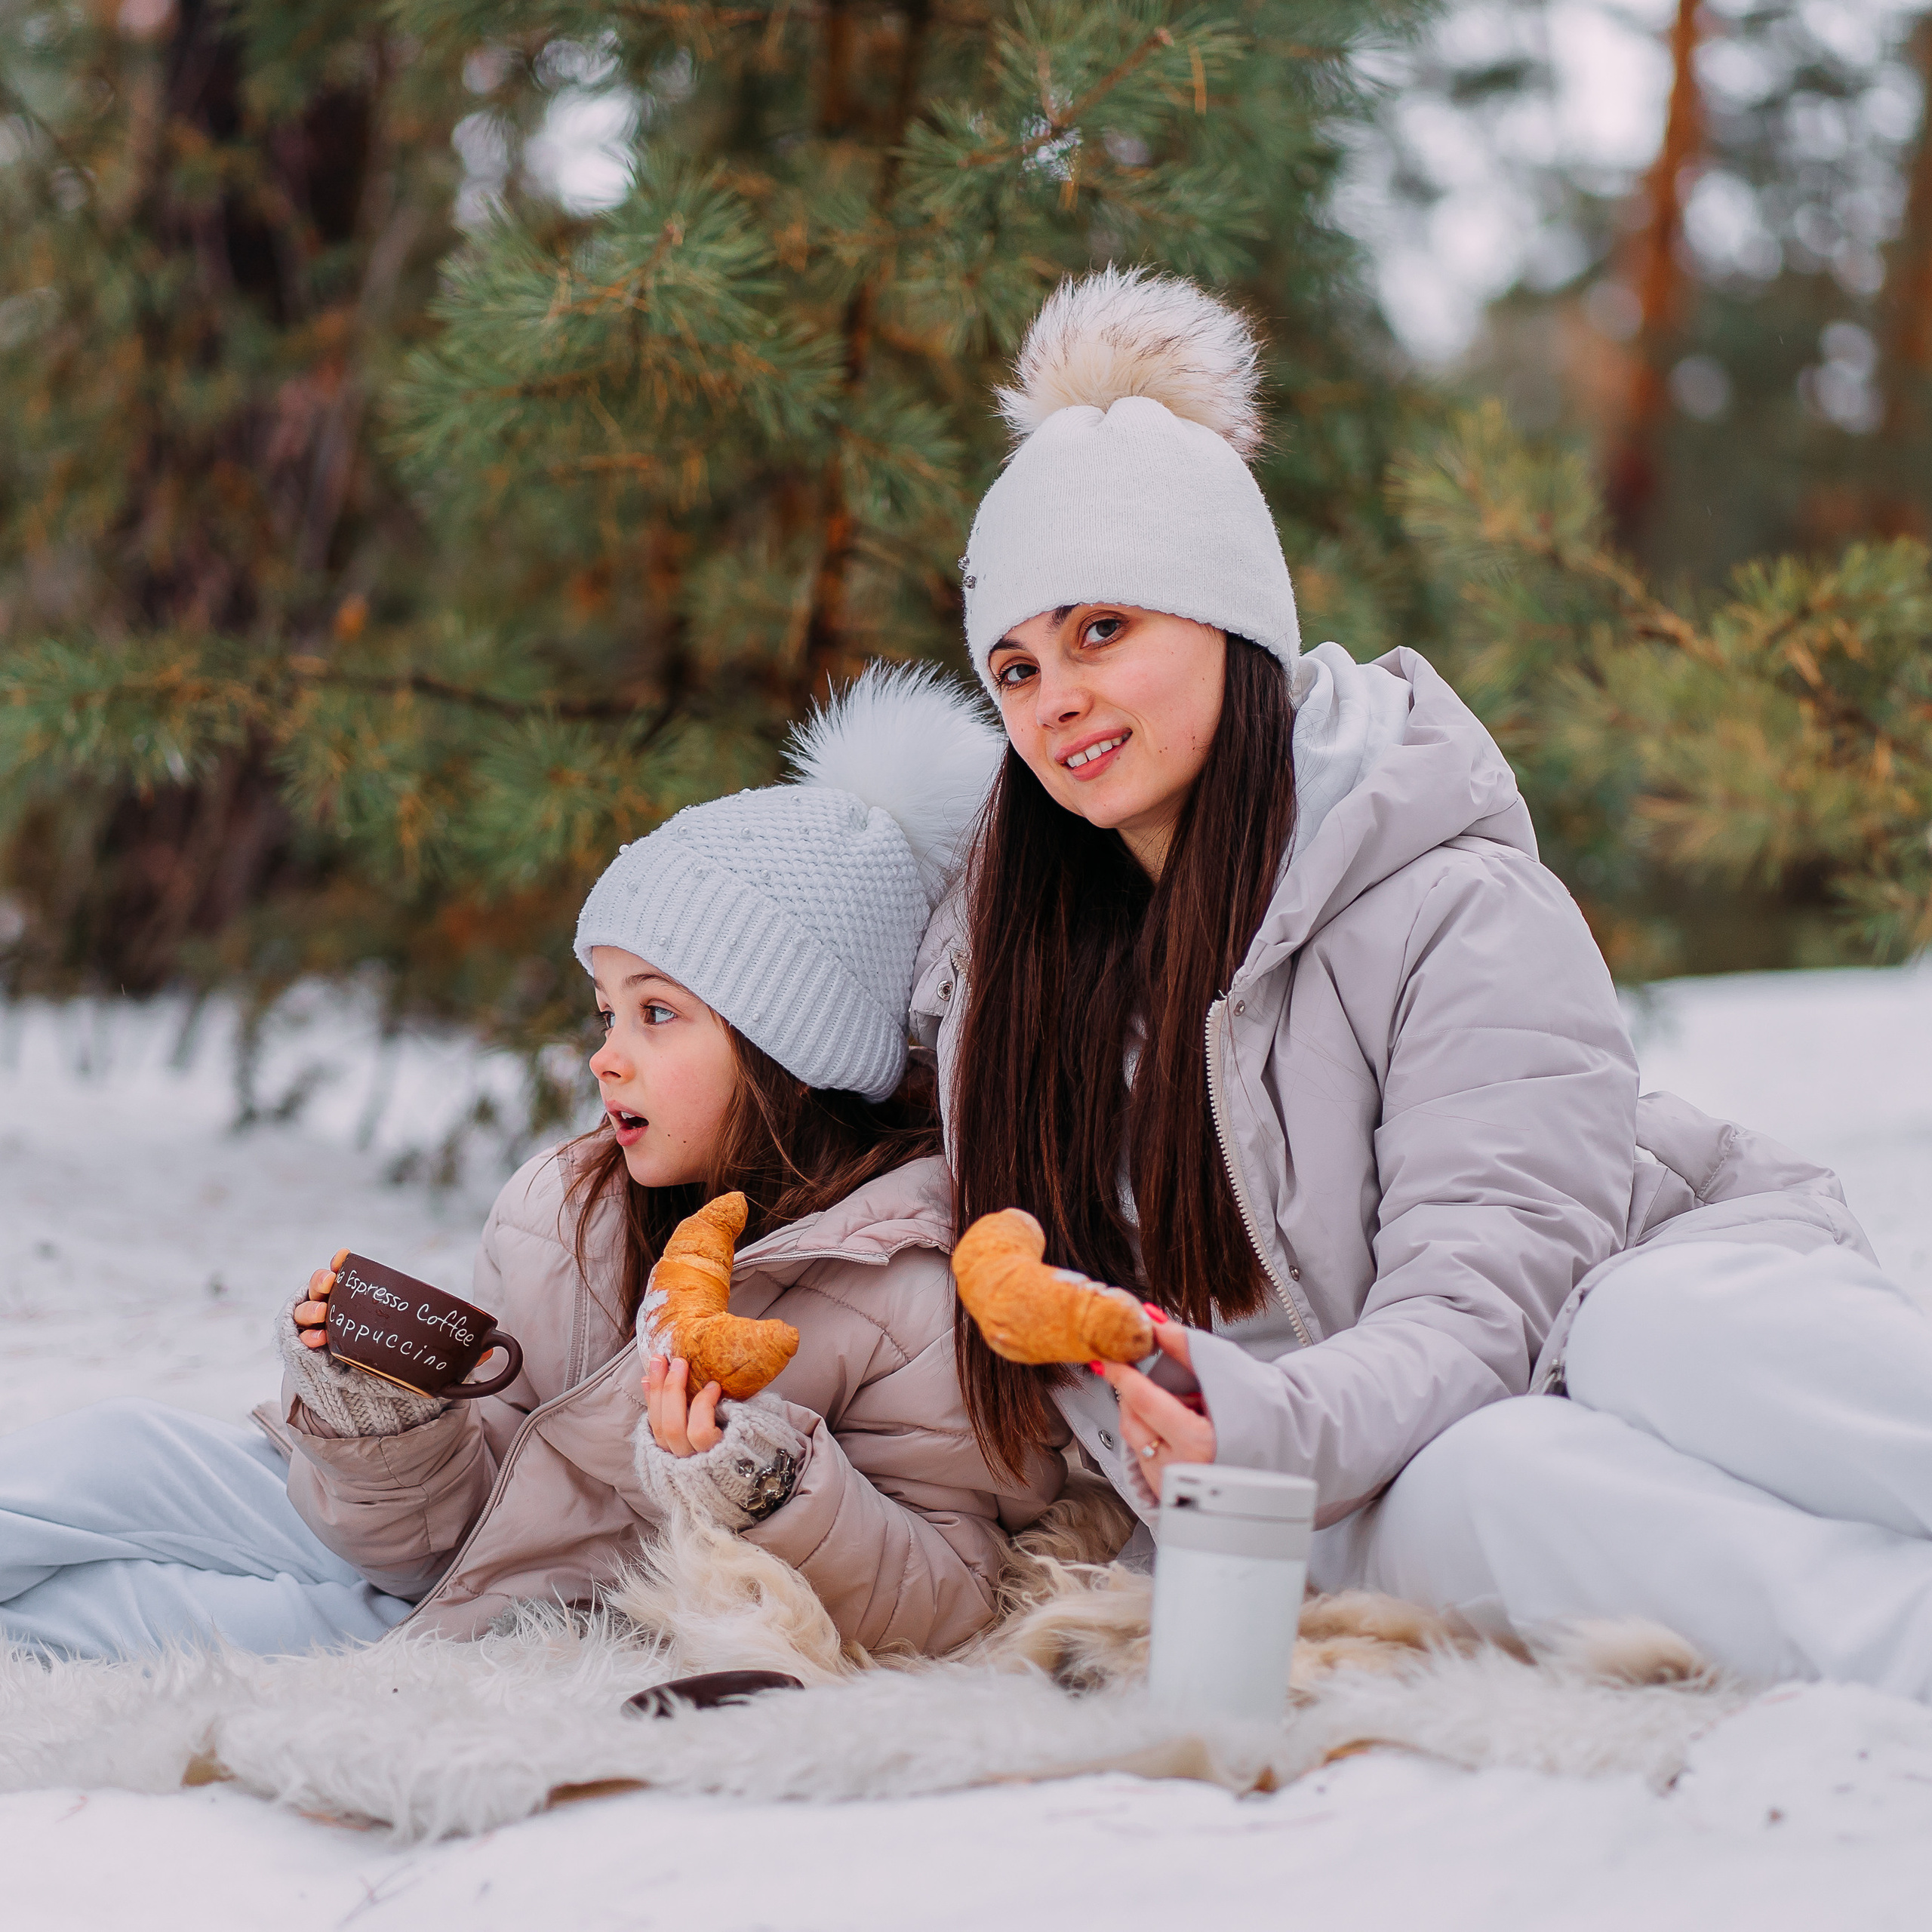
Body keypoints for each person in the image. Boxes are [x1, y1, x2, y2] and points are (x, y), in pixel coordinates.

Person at [918, 266, 1932, 1698]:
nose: (1055, 697)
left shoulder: (1441, 892)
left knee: (1658, 1332)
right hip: (1358, 1479)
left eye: (1101, 630)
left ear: (1228, 621)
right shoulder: (1012, 996)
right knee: (1484, 1479)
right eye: (1014, 669)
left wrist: (1270, 1419)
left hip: (1594, 1302)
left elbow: (1488, 1293)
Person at [1, 667, 1063, 1660]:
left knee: (102, 1615)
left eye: (657, 1013)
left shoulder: (910, 1287)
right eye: (605, 1012)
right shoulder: (565, 1211)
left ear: (794, 1046)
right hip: (443, 1556)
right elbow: (443, 1524)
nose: (607, 1056)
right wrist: (389, 1421)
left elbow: (954, 1593)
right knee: (115, 1451)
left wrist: (760, 1486)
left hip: (550, 1618)